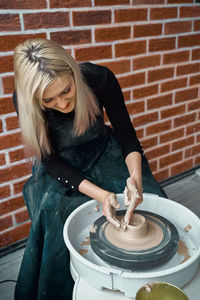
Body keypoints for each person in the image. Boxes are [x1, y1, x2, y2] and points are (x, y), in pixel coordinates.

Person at [13, 38, 167, 299]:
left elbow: (127, 137)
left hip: (102, 148)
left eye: (66, 91)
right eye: (48, 100)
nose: (61, 104)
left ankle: (142, 281)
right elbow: (51, 163)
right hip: (62, 164)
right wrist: (103, 196)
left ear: (73, 73)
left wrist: (135, 178)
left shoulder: (99, 78)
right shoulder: (24, 101)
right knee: (56, 214)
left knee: (152, 199)